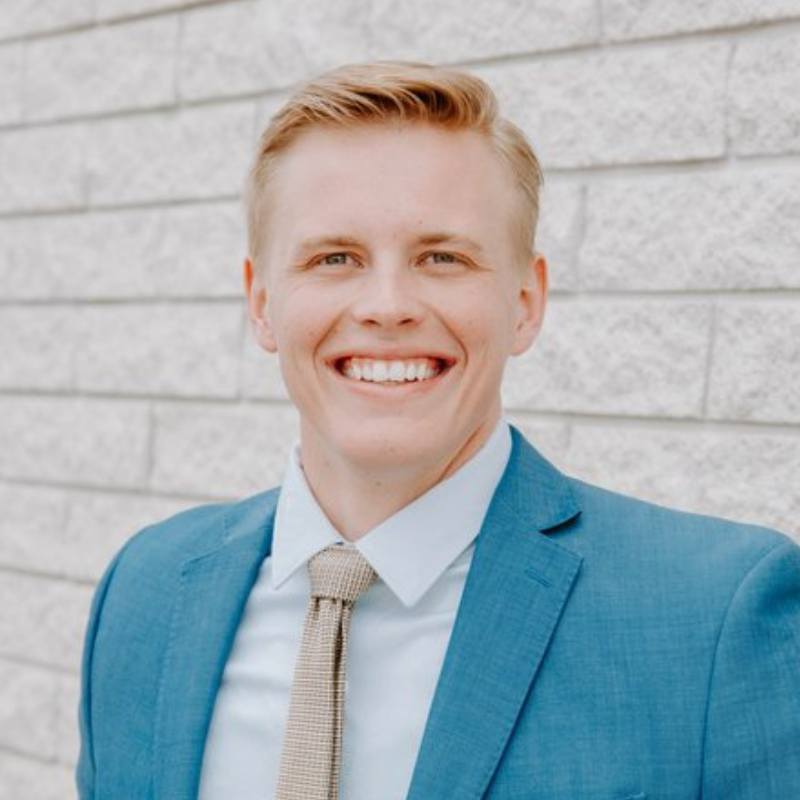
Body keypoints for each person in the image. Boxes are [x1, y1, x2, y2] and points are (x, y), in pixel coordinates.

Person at [77, 62, 800, 800]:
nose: (387, 305)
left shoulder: (714, 618)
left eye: (442, 258)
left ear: (524, 302)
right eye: (335, 258)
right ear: (262, 304)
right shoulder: (145, 591)